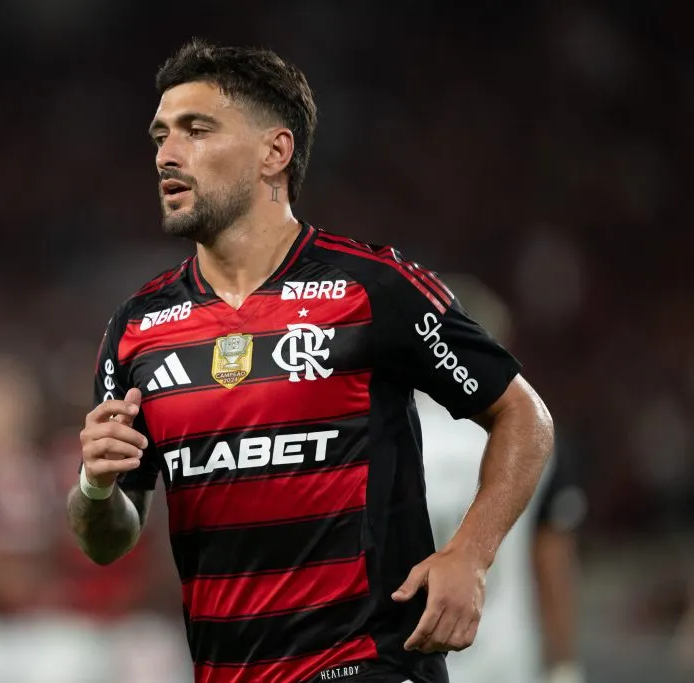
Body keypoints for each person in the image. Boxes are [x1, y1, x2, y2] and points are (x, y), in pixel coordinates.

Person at [66, 39, 555, 683]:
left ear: (275, 151)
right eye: (160, 136)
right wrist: (95, 488)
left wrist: (470, 554)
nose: (166, 154)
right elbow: (109, 541)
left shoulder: (372, 288)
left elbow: (524, 415)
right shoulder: (137, 328)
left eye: (196, 129)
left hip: (367, 664)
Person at [417, 276, 587, 683]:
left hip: (413, 664)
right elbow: (552, 560)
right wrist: (564, 665)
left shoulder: (391, 434)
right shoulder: (534, 436)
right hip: (508, 665)